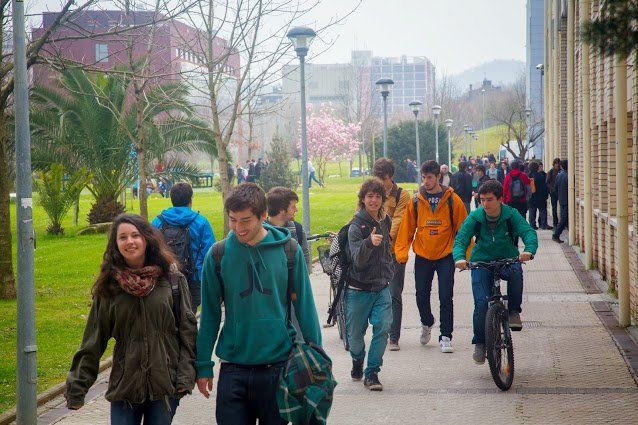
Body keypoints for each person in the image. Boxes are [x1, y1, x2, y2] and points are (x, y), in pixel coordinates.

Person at [195, 183, 322, 424]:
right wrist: (203, 365)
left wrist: (317, 359)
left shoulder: (289, 251)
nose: (238, 228)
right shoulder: (218, 255)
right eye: (232, 220)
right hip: (233, 368)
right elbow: (209, 316)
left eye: (245, 221)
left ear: (263, 216)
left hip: (278, 368)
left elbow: (305, 309)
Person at [65, 213, 197, 424]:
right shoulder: (110, 287)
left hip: (165, 387)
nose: (130, 242)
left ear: (146, 238)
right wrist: (77, 388)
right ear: (116, 244)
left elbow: (187, 331)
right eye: (123, 237)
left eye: (135, 235)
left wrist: (185, 376)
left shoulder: (171, 280)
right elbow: (93, 339)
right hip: (125, 387)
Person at [452, 180, 538, 364]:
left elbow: (528, 232)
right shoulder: (475, 217)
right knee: (481, 304)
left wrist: (529, 250)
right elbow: (460, 240)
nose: (485, 204)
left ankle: (514, 310)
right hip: (481, 262)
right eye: (482, 200)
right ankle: (480, 342)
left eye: (489, 199)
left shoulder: (511, 215)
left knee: (516, 272)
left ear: (500, 199)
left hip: (507, 259)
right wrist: (459, 258)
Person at [395, 160, 468, 353]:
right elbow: (406, 229)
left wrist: (466, 256)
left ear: (438, 177)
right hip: (423, 255)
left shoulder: (453, 200)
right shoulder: (416, 201)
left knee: (446, 296)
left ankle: (446, 336)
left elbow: (463, 229)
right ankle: (427, 322)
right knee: (421, 296)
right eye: (424, 177)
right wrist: (401, 254)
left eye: (429, 178)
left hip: (446, 255)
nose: (426, 181)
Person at [346, 178, 394, 391]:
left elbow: (388, 251)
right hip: (358, 290)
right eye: (369, 196)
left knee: (383, 328)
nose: (374, 200)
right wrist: (368, 243)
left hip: (381, 287)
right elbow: (357, 259)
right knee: (355, 337)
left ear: (383, 199)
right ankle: (357, 359)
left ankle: (372, 372)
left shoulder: (386, 221)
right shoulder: (355, 226)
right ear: (363, 199)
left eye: (377, 196)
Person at [152, 183, 216, 311]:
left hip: (164, 276)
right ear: (190, 200)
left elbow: (151, 249)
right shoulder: (201, 222)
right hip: (193, 278)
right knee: (189, 314)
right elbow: (210, 254)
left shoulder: (157, 221)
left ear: (171, 199)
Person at [371, 158, 411, 351]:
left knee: (394, 293)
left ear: (391, 177)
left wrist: (384, 238)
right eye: (377, 177)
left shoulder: (402, 195)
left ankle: (394, 337)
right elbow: (359, 215)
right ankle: (380, 332)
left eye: (383, 178)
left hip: (395, 251)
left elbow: (398, 220)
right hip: (373, 250)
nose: (379, 182)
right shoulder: (371, 193)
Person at [265, 186, 311, 270]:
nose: (296, 210)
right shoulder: (260, 231)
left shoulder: (297, 229)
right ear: (281, 209)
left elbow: (305, 257)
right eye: (293, 207)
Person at [528, 161, 552, 230]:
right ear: (537, 168)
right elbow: (544, 187)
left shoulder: (528, 176)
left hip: (531, 197)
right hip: (540, 196)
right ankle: (543, 224)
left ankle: (532, 225)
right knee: (543, 210)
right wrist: (546, 195)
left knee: (532, 211)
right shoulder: (540, 176)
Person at [552, 160, 569, 243]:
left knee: (564, 218)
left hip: (561, 199)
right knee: (564, 219)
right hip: (567, 200)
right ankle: (556, 235)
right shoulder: (568, 175)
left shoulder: (559, 175)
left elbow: (555, 187)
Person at [546, 157, 561, 229]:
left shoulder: (561, 171)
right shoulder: (550, 172)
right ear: (554, 164)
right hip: (553, 193)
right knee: (554, 208)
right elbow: (547, 182)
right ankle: (555, 223)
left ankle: (562, 223)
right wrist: (551, 189)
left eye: (558, 164)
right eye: (556, 164)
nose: (557, 165)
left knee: (563, 208)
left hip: (561, 192)